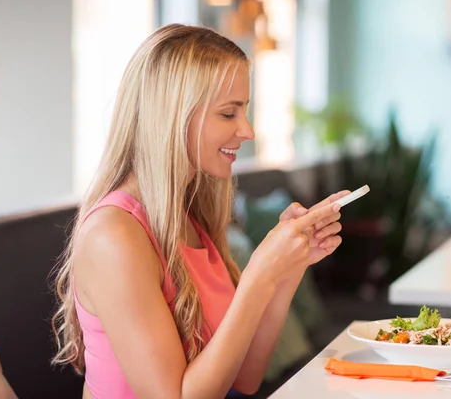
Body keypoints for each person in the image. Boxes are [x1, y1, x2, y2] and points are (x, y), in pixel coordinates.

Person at [50, 23, 349, 399]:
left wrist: (288, 268)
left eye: (245, 111)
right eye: (229, 114)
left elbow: (245, 378)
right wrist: (258, 274)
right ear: (173, 117)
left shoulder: (188, 217)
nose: (248, 131)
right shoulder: (115, 236)